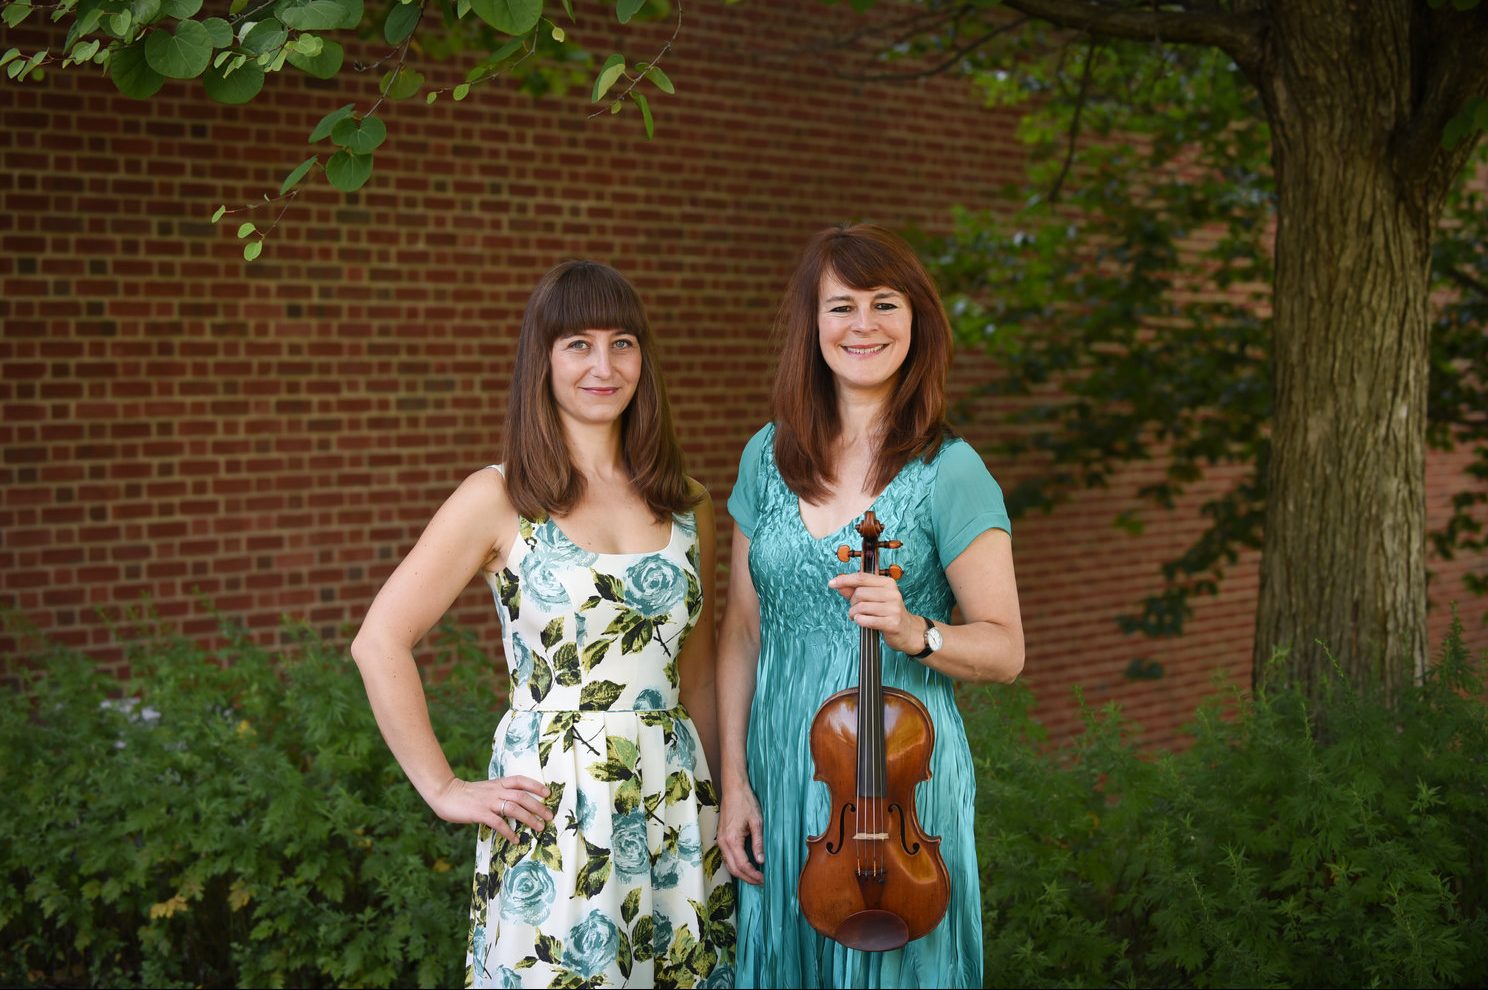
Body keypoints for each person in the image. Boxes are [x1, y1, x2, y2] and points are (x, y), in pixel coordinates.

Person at [351, 261, 736, 989]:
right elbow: (379, 641)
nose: (604, 365)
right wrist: (442, 787)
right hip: (556, 804)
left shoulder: (686, 501)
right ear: (544, 359)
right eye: (578, 345)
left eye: (623, 343)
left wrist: (729, 799)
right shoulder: (497, 496)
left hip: (675, 798)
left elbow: (702, 668)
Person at [715, 223, 1024, 988]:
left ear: (916, 323)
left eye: (885, 304)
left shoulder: (951, 471)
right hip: (786, 769)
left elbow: (1005, 649)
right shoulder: (768, 454)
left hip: (894, 787)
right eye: (841, 306)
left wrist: (918, 631)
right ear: (810, 325)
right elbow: (741, 631)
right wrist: (735, 784)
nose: (863, 325)